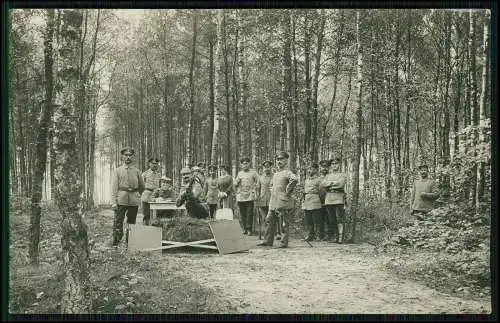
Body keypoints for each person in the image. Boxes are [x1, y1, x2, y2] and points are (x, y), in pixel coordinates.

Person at [258, 151, 298, 248]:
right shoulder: (275, 174)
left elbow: (294, 179)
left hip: (284, 202)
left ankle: (283, 242)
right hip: (274, 202)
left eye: (281, 159)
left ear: (286, 160)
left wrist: (287, 191)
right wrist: (273, 191)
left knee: (284, 223)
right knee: (269, 221)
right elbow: (271, 185)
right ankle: (267, 241)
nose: (279, 161)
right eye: (278, 159)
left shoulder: (288, 172)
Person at [111, 147, 145, 247]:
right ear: (122, 157)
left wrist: (137, 195)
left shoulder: (137, 171)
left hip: (133, 200)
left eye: (130, 155)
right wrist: (113, 201)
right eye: (126, 155)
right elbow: (114, 187)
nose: (128, 157)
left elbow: (142, 186)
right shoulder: (118, 171)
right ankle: (116, 241)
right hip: (121, 199)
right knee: (118, 221)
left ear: (133, 157)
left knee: (132, 222)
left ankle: (130, 242)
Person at [320, 157, 347, 243]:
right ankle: (335, 236)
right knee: (332, 219)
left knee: (339, 218)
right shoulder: (328, 175)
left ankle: (340, 237)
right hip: (329, 199)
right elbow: (323, 184)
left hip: (338, 198)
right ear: (331, 166)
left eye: (336, 163)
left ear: (339, 164)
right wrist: (333, 183)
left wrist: (330, 184)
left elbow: (340, 184)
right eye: (333, 164)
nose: (334, 165)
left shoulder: (342, 175)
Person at [235, 157, 259, 235]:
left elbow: (258, 181)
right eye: (243, 164)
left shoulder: (253, 173)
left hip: (250, 196)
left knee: (249, 213)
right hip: (241, 196)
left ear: (249, 164)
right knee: (242, 213)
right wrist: (236, 187)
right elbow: (236, 183)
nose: (245, 165)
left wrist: (255, 188)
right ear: (241, 165)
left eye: (246, 163)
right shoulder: (240, 173)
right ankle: (244, 228)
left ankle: (249, 229)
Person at [302, 162, 323, 241]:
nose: (309, 171)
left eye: (311, 169)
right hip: (307, 200)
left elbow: (321, 191)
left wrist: (319, 199)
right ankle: (310, 235)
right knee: (309, 219)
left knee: (316, 219)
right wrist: (303, 200)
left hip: (315, 200)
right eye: (308, 169)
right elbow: (304, 191)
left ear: (316, 170)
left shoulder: (319, 180)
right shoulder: (306, 180)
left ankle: (318, 236)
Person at [140, 157, 161, 225]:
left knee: (156, 215)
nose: (155, 165)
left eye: (156, 163)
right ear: (149, 164)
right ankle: (145, 230)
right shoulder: (145, 174)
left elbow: (159, 186)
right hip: (147, 196)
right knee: (146, 215)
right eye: (153, 163)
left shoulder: (158, 175)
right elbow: (140, 186)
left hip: (156, 196)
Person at [256, 160, 273, 239]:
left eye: (268, 167)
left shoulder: (274, 176)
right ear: (263, 168)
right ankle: (266, 233)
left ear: (271, 167)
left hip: (271, 199)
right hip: (262, 200)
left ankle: (274, 233)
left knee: (271, 217)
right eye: (265, 167)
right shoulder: (260, 177)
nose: (267, 168)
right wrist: (257, 197)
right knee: (264, 217)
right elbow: (257, 188)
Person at [317, 159, 330, 241]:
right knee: (319, 219)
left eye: (326, 167)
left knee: (329, 219)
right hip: (319, 201)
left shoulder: (331, 177)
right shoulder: (318, 179)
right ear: (320, 168)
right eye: (322, 167)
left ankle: (329, 235)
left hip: (329, 201)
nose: (324, 168)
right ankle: (320, 235)